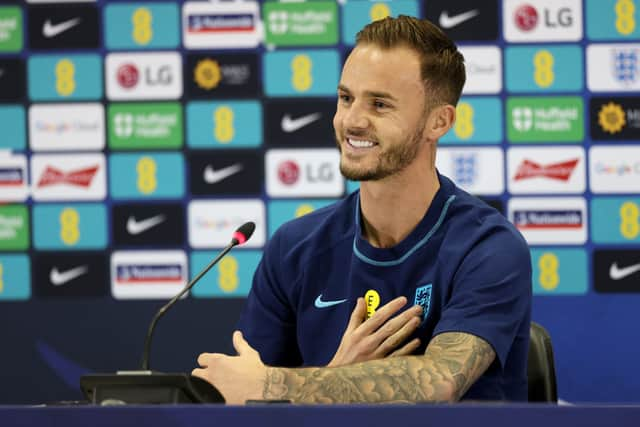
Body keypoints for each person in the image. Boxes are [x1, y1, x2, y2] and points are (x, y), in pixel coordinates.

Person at [192, 15, 532, 404]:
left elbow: (440, 382)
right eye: (346, 98)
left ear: (439, 121)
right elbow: (241, 398)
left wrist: (279, 385)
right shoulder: (294, 246)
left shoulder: (489, 246)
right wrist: (336, 374)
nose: (352, 120)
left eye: (380, 104)